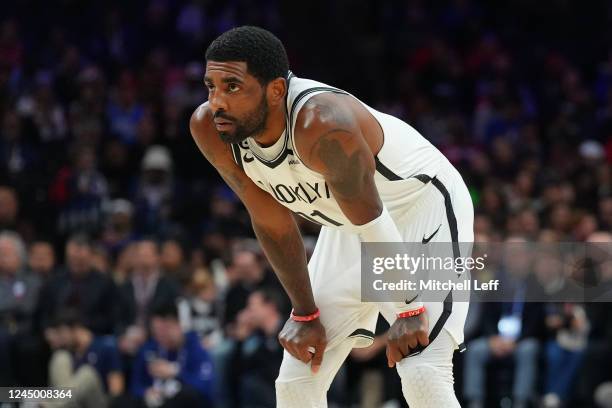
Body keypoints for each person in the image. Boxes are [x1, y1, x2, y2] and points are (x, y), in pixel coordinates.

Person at [190, 26, 474, 407]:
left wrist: (409, 307)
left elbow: (373, 219)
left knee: (422, 370)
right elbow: (272, 223)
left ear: (276, 90)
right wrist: (305, 314)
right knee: (296, 379)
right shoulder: (210, 127)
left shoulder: (320, 122)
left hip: (421, 208)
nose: (217, 101)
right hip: (351, 222)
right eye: (211, 86)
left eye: (232, 87)